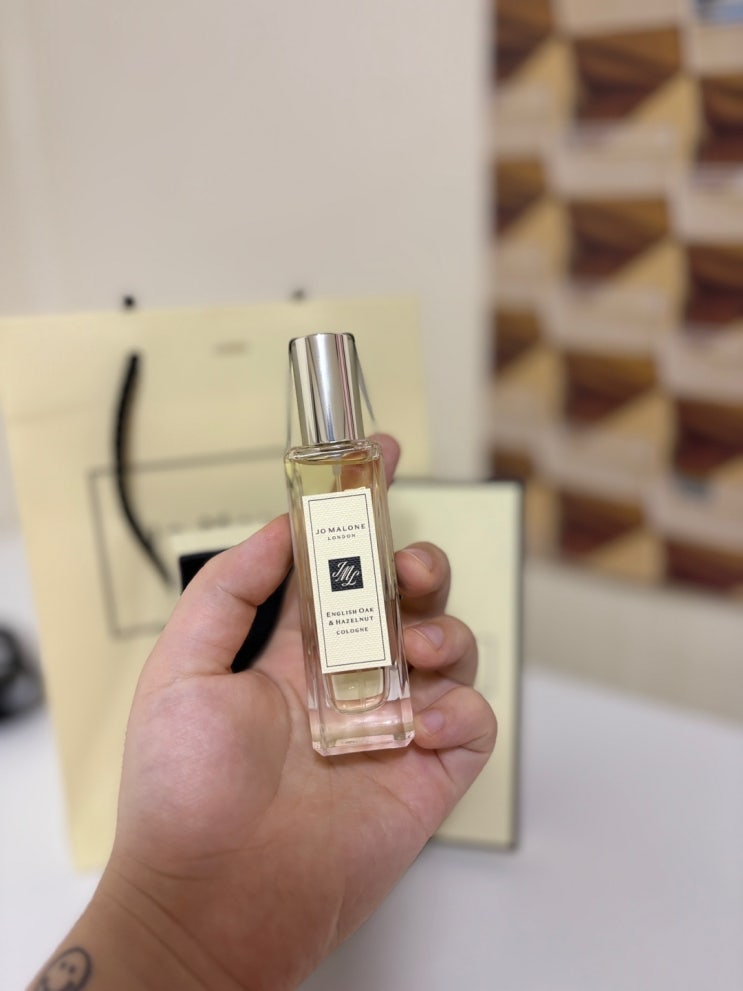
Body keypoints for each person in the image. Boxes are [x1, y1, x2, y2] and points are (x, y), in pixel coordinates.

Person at [29, 437, 497, 991]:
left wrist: (172, 927)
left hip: (364, 726)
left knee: (413, 613)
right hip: (316, 729)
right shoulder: (311, 467)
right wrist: (166, 910)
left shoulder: (352, 464)